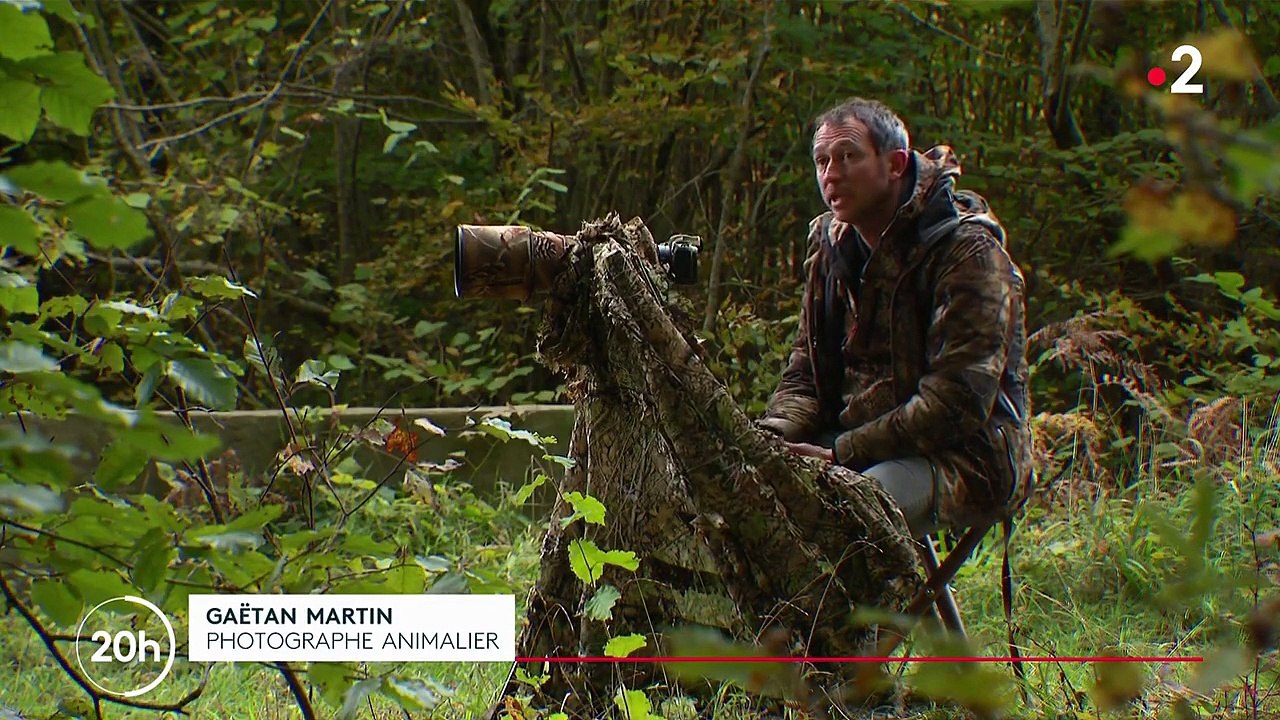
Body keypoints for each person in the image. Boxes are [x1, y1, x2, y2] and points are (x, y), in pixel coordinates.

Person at [758, 98, 1033, 537]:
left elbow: (956, 403)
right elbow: (805, 374)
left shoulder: (966, 250)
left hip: (966, 455)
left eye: (849, 156)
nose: (831, 174)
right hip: (856, 442)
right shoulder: (829, 245)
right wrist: (772, 437)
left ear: (895, 164)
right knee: (752, 494)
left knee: (851, 513)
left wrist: (842, 454)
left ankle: (872, 605)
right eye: (822, 160)